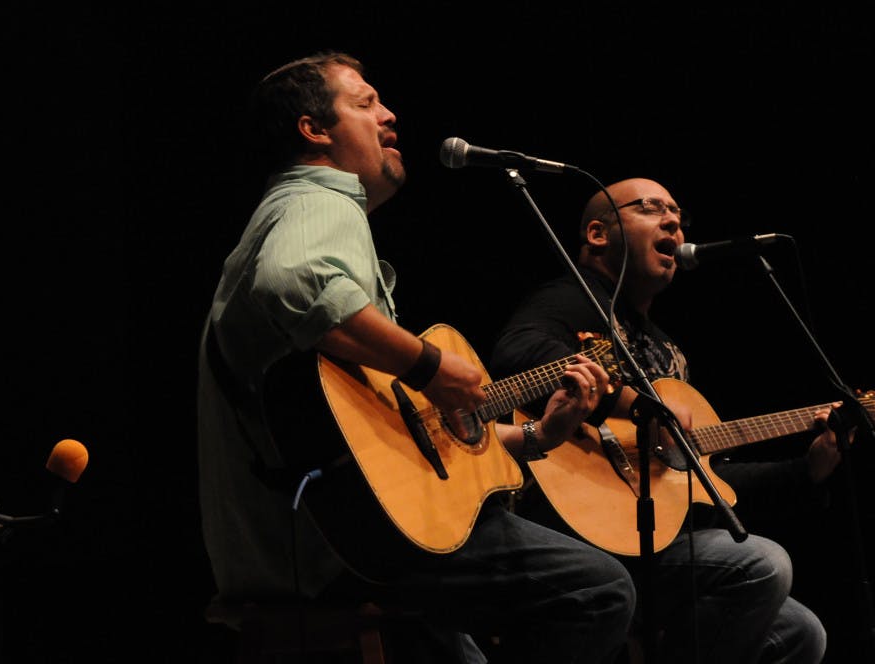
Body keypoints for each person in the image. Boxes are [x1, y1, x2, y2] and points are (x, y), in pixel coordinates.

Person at [196, 51, 637, 663]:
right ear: (314, 130)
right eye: (365, 102)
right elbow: (292, 281)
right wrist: (430, 366)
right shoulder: (320, 201)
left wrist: (539, 434)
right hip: (334, 545)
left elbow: (402, 442)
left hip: (327, 536)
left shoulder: (297, 214)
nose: (388, 114)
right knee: (599, 590)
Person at [489, 177, 835, 663]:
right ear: (597, 235)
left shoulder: (670, 351)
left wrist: (808, 470)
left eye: (677, 213)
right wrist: (636, 402)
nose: (673, 219)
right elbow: (519, 354)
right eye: (651, 208)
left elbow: (700, 478)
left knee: (802, 633)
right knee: (763, 563)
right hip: (581, 532)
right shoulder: (570, 298)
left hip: (658, 543)